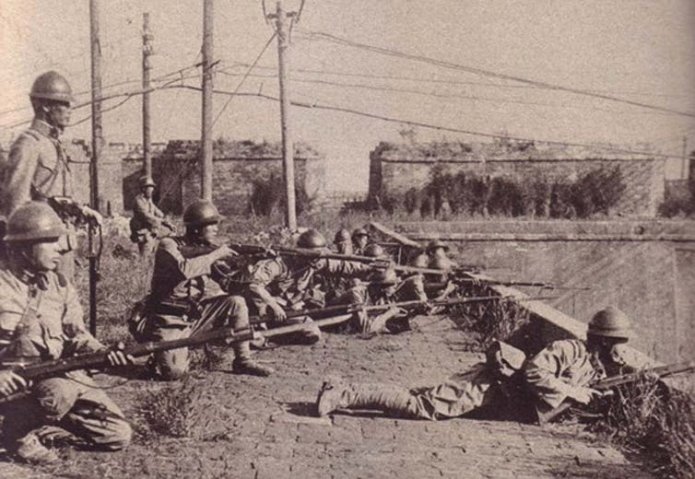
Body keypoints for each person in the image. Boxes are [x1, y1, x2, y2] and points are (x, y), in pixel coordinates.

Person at [316, 307, 635, 422]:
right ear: (605, 341)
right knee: (424, 408)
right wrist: (572, 391)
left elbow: (570, 391)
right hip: (489, 384)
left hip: (502, 399)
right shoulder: (569, 348)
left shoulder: (593, 366)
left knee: (422, 397)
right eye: (619, 345)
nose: (621, 354)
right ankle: (343, 393)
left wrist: (588, 395)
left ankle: (346, 388)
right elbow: (536, 371)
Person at [0, 202, 132, 464]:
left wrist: (103, 353)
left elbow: (77, 335)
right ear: (25, 248)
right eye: (50, 241)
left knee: (116, 434)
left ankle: (33, 424)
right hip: (12, 384)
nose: (60, 249)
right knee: (60, 392)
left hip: (51, 376)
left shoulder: (60, 286)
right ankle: (17, 438)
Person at [132, 199, 272, 380]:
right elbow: (185, 270)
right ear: (196, 228)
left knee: (236, 302)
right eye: (211, 225)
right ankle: (162, 355)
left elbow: (230, 284)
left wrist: (248, 264)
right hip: (169, 319)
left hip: (196, 315)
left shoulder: (206, 250)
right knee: (175, 373)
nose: (216, 229)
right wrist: (216, 254)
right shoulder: (168, 245)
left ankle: (243, 360)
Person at [0, 71, 102, 280]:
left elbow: (56, 195)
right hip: (40, 246)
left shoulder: (54, 144)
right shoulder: (29, 144)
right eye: (63, 104)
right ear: (45, 106)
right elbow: (15, 203)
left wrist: (82, 210)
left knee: (64, 300)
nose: (69, 110)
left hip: (62, 239)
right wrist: (24, 254)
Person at [241, 229, 371, 345]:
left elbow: (342, 266)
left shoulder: (315, 262)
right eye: (313, 257)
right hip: (265, 308)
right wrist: (274, 306)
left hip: (289, 308)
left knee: (312, 334)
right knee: (308, 329)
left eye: (318, 257)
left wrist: (370, 269)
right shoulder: (278, 264)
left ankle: (274, 336)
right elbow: (254, 286)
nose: (316, 261)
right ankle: (262, 333)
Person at [130, 175, 174, 256]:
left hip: (150, 227)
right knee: (148, 241)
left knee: (170, 231)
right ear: (143, 189)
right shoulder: (138, 201)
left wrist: (164, 217)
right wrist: (161, 221)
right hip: (141, 229)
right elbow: (146, 216)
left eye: (152, 188)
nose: (152, 190)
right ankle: (144, 260)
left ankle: (162, 252)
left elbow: (156, 210)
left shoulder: (148, 200)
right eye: (150, 188)